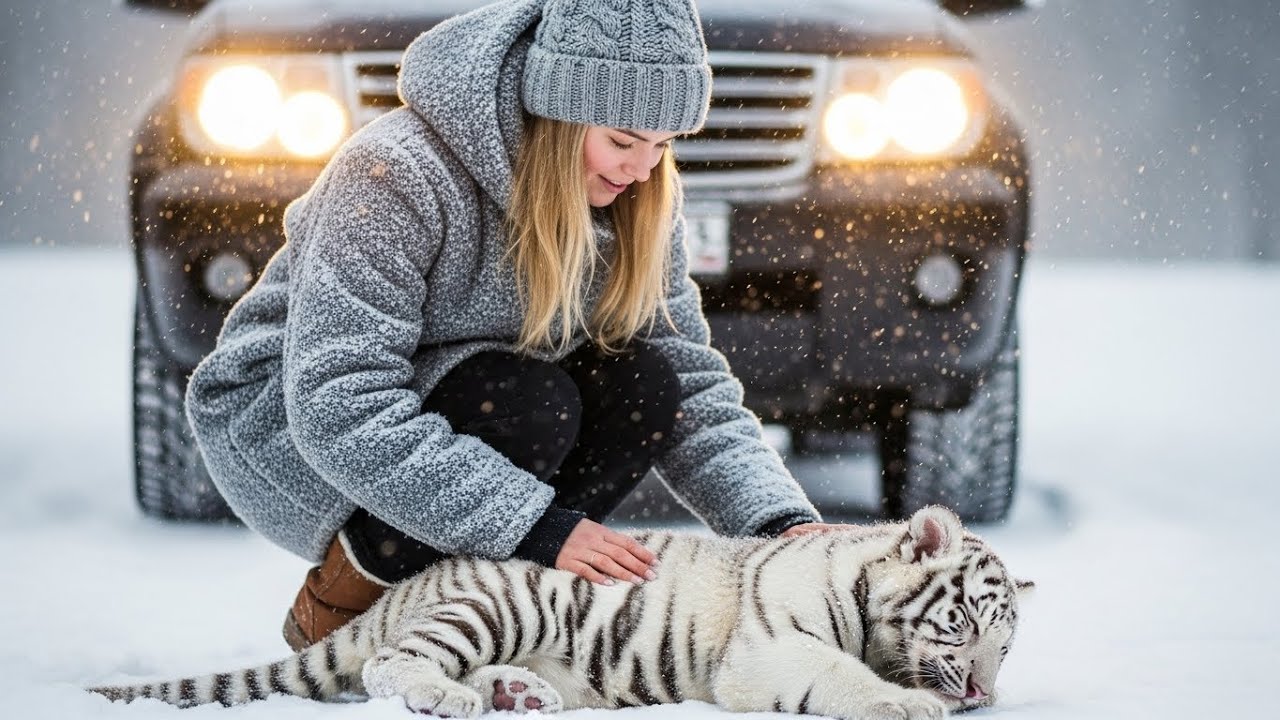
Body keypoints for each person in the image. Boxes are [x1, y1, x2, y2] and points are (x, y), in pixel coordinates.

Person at [185, 0, 839, 653]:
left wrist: (778, 525)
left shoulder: (637, 194)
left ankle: (488, 621)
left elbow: (693, 388)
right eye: (622, 140)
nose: (642, 170)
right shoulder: (394, 170)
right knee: (528, 406)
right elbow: (338, 406)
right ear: (555, 114)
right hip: (289, 425)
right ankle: (342, 614)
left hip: (474, 394)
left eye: (663, 145)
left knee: (642, 387)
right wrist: (535, 527)